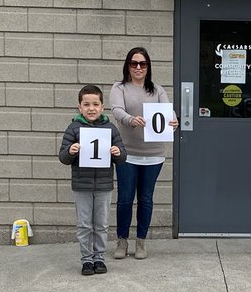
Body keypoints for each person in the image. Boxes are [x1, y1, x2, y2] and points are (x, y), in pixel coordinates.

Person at [108, 47, 176, 260]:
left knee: (146, 198)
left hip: (154, 154)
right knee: (125, 199)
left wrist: (173, 121)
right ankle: (122, 241)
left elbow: (168, 111)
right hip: (127, 153)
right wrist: (129, 119)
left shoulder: (157, 90)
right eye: (134, 63)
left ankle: (141, 242)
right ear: (128, 65)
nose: (138, 67)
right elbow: (117, 110)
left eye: (142, 64)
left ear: (148, 67)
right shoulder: (119, 87)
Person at [59, 84, 124, 275]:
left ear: (102, 107)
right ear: (80, 107)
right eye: (86, 104)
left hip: (104, 185)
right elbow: (63, 157)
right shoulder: (73, 128)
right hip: (81, 185)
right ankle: (87, 260)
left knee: (101, 224)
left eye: (95, 104)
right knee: (84, 224)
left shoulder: (110, 129)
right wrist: (70, 152)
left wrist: (118, 152)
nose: (91, 108)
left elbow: (122, 157)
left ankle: (99, 258)